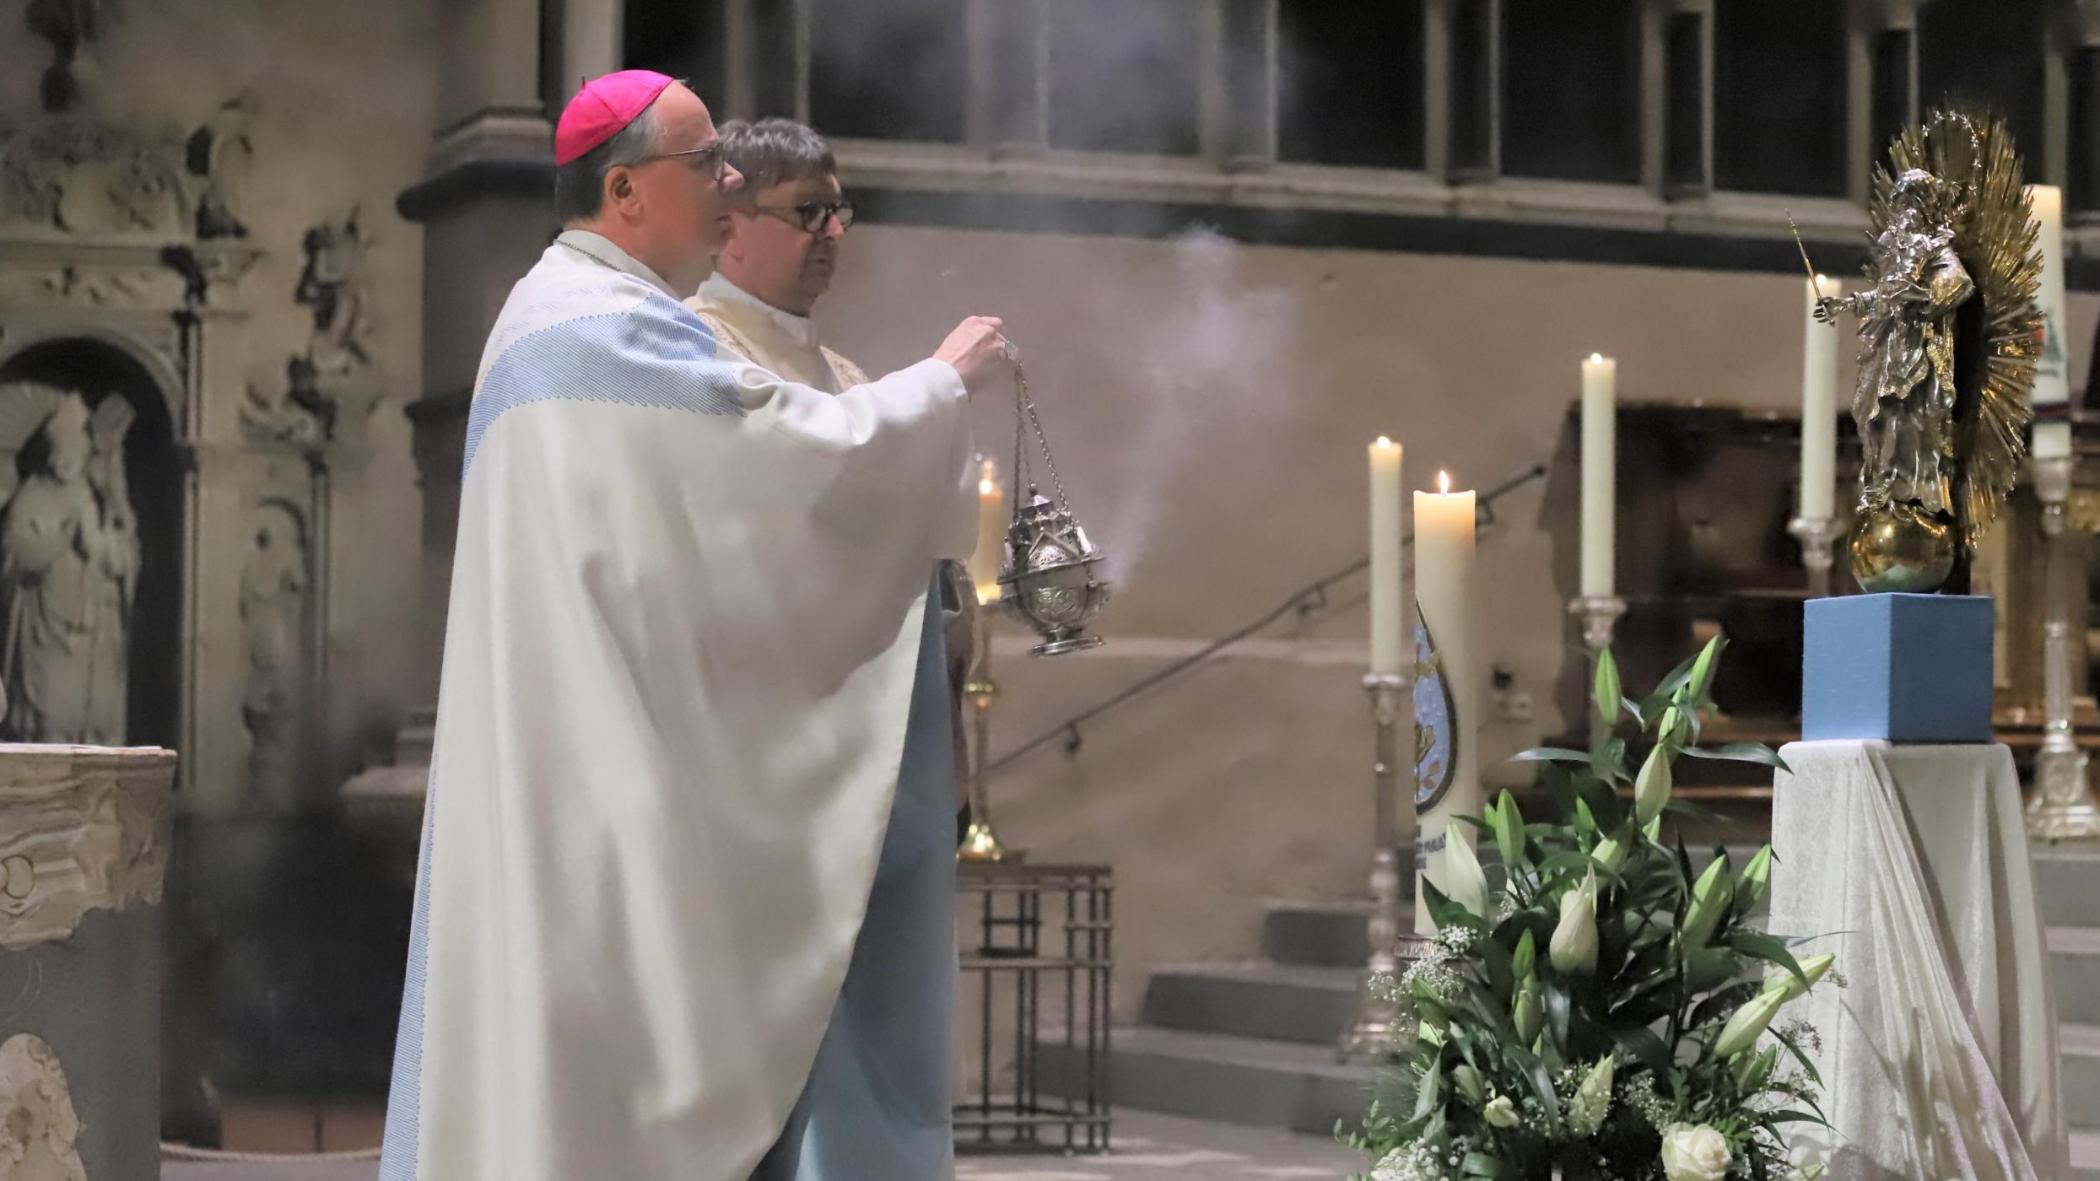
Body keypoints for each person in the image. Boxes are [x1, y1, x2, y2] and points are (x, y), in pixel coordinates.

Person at [376, 71, 1011, 1181]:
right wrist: (942, 387)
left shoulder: (549, 318)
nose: (728, 186)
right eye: (705, 165)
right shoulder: (614, 332)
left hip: (575, 765)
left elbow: (691, 554)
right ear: (624, 191)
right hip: (604, 790)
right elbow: (795, 463)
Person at [686, 116, 977, 840]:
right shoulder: (693, 349)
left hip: (858, 744)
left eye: (837, 211)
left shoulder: (845, 376)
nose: (833, 233)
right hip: (753, 741)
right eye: (807, 211)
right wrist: (940, 383)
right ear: (731, 225)